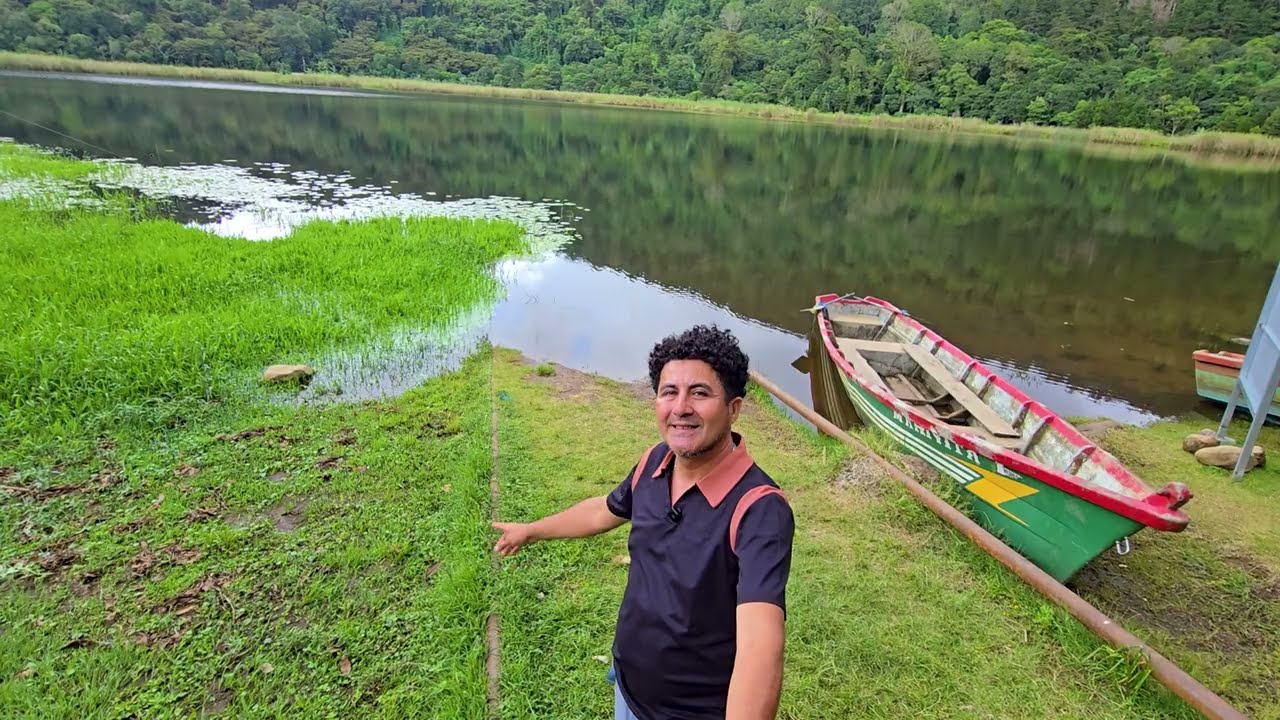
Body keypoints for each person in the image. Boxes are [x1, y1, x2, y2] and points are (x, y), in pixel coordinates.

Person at [491, 325, 795, 720]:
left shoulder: (759, 509)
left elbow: (761, 647)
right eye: (669, 392)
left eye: (699, 393)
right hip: (629, 686)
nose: (680, 407)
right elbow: (605, 510)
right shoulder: (655, 462)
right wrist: (532, 530)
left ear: (733, 409)